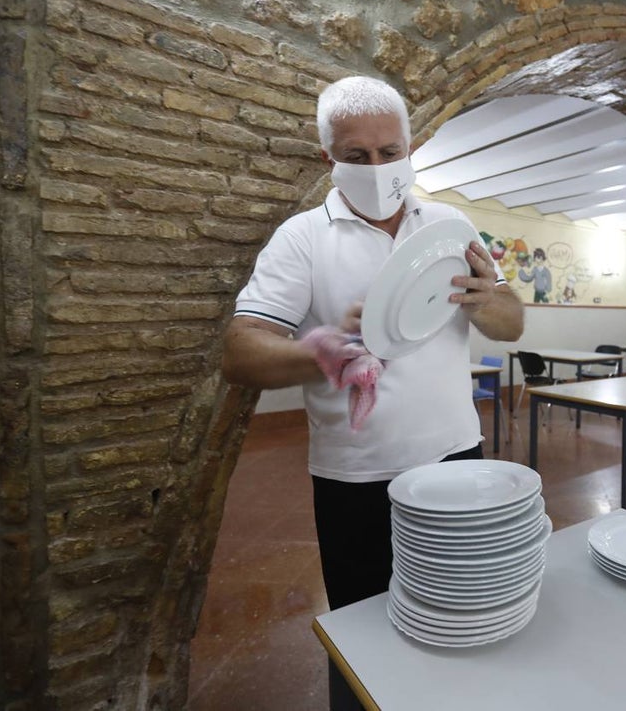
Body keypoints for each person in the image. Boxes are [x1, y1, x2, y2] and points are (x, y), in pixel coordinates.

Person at [221, 76, 524, 708]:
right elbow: (241, 351)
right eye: (358, 156)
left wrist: (488, 298)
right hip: (356, 478)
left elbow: (512, 324)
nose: (379, 168)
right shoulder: (302, 238)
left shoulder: (448, 224)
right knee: (365, 638)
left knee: (460, 617)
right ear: (327, 157)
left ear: (410, 149)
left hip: (455, 457)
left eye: (391, 152)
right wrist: (318, 351)